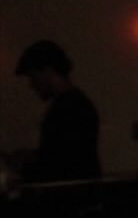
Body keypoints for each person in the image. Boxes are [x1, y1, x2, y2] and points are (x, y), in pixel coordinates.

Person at [12, 40, 101, 182]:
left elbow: (62, 166)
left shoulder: (69, 109)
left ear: (47, 71)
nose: (31, 85)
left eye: (33, 77)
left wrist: (25, 166)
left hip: (69, 193)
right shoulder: (76, 105)